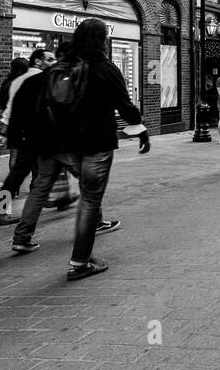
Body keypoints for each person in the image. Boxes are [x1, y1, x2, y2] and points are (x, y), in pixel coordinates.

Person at [9, 18, 150, 280]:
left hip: (67, 143)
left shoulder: (59, 69)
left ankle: (31, 237)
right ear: (102, 40)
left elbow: (43, 107)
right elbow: (124, 104)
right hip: (97, 142)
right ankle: (80, 262)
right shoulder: (105, 68)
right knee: (89, 199)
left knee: (66, 191)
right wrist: (140, 129)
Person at [0, 46, 69, 225]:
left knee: (19, 174)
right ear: (38, 61)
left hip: (24, 133)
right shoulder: (35, 78)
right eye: (50, 59)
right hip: (34, 133)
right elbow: (14, 107)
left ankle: (0, 210)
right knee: (54, 166)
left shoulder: (20, 79)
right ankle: (61, 199)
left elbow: (10, 108)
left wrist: (4, 131)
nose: (54, 63)